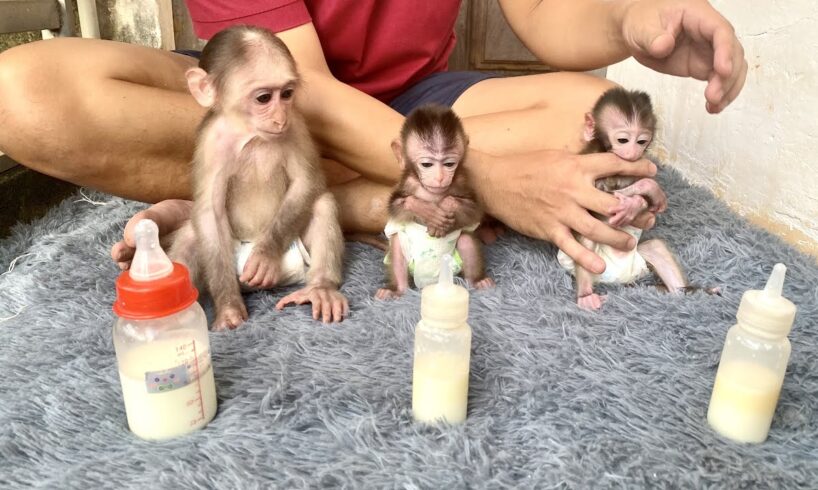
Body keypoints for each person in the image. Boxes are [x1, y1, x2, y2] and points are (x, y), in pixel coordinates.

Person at [0, 0, 746, 277]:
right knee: (24, 95)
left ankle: (258, 201)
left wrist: (633, 19)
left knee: (593, 112)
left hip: (417, 101)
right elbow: (306, 90)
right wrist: (482, 177)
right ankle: (365, 206)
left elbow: (545, 10)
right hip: (276, 96)